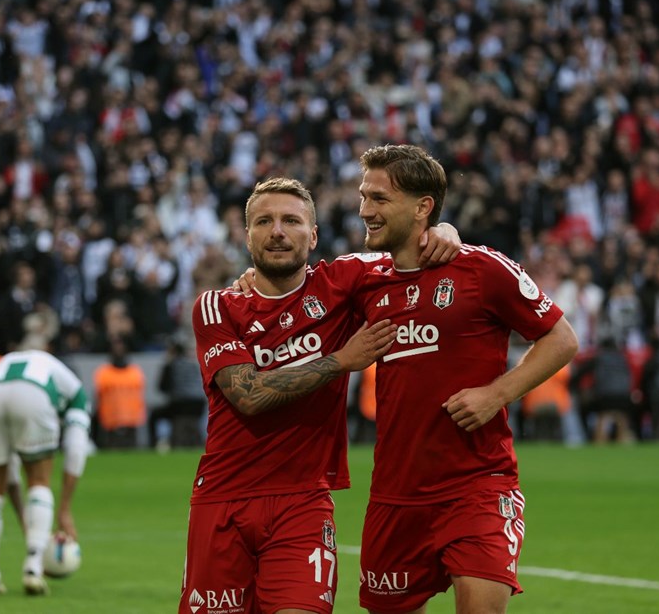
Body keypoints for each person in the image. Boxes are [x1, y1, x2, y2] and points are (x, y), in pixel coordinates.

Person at [182, 177, 461, 614]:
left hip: (304, 503)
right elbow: (248, 395)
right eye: (264, 221)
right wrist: (339, 361)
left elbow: (409, 252)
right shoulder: (215, 307)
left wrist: (442, 231)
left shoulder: (342, 283)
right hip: (223, 502)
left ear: (313, 235)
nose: (277, 231)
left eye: (291, 221)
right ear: (247, 235)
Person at [354, 144, 578, 613]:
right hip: (396, 495)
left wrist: (497, 393)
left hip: (477, 484)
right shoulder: (362, 279)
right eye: (364, 197)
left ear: (422, 208)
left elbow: (561, 338)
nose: (365, 211)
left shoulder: (481, 269)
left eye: (379, 199)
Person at [0, 346, 91, 597]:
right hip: (34, 393)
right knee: (39, 480)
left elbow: (9, 473)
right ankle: (34, 568)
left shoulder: (14, 362)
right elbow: (76, 449)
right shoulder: (77, 394)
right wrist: (64, 510)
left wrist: (27, 522)